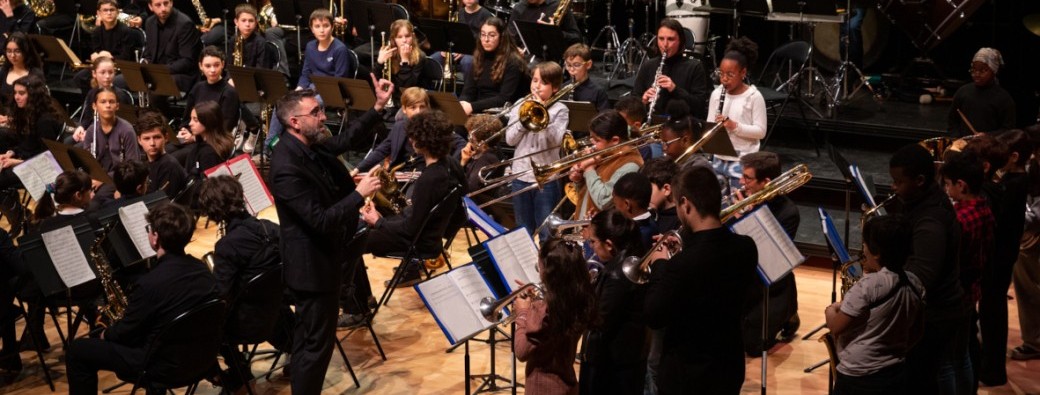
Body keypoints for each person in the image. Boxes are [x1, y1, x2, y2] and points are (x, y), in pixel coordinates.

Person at [269, 76, 389, 394]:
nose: (323, 116)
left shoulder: (310, 143)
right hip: (311, 268)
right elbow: (319, 221)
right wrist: (358, 194)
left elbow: (346, 139)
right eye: (316, 112)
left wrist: (377, 107)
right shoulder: (285, 166)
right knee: (314, 347)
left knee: (315, 343)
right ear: (295, 122)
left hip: (327, 258)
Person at [65, 202, 220, 395]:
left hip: (160, 367)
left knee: (77, 351)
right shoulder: (203, 270)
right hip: (201, 358)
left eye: (150, 230)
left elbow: (127, 333)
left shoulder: (149, 284)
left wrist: (106, 334)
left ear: (155, 238)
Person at [643, 165, 756, 394]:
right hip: (729, 367)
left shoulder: (680, 265)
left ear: (685, 204)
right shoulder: (746, 247)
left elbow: (653, 315)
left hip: (687, 374)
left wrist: (660, 264)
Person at [198, 175, 292, 391]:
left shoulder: (227, 246)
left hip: (249, 326)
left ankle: (239, 372)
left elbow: (223, 297)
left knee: (207, 324)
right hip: (276, 310)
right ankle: (294, 345)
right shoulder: (271, 228)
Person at [889, 143, 970, 393]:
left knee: (932, 376)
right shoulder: (929, 200)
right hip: (949, 305)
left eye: (898, 182)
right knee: (954, 363)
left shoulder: (930, 221)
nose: (893, 187)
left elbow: (921, 276)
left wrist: (880, 282)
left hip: (935, 314)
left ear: (920, 180)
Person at [358, 110, 466, 295]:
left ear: (423, 141)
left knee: (353, 237)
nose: (410, 140)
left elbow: (410, 229)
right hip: (432, 237)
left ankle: (358, 304)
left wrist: (378, 221)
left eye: (413, 136)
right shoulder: (451, 164)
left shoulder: (429, 178)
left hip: (419, 243)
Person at [825, 215, 925, 394]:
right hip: (895, 373)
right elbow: (917, 331)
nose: (863, 249)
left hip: (857, 377)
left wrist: (831, 310)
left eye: (864, 244)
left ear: (877, 252)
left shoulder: (867, 286)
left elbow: (836, 327)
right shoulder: (915, 283)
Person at [977, 130, 1032, 385]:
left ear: (1015, 157)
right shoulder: (1012, 181)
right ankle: (990, 365)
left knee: (992, 312)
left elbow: (998, 221)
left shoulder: (1014, 185)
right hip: (1003, 253)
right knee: (991, 310)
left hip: (1000, 255)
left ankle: (993, 370)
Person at [733, 151, 800, 355]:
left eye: (747, 178)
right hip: (743, 277)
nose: (741, 181)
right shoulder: (743, 198)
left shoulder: (788, 213)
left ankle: (788, 315)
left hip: (770, 284)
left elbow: (770, 258)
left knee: (753, 347)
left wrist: (747, 219)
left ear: (766, 182)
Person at [514, 237, 596, 395]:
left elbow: (521, 351)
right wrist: (536, 302)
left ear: (547, 269)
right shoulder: (580, 298)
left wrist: (523, 313)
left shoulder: (545, 310)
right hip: (567, 384)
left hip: (542, 388)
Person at [580, 209, 648, 394]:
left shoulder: (617, 275)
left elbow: (598, 320)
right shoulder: (632, 258)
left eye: (593, 242)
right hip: (628, 358)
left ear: (609, 244)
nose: (591, 247)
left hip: (612, 366)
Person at [506, 61, 568, 238]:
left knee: (547, 232)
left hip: (546, 180)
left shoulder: (560, 110)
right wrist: (525, 120)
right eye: (534, 80)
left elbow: (556, 140)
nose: (537, 86)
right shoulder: (520, 105)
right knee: (522, 231)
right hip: (520, 175)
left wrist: (543, 117)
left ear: (555, 88)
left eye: (543, 82)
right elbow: (510, 140)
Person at [355, 87, 464, 173]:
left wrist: (448, 166)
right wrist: (358, 169)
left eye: (422, 107)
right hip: (399, 173)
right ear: (404, 109)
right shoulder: (399, 126)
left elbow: (461, 144)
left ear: (428, 107)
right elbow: (381, 150)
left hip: (423, 175)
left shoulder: (435, 128)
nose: (418, 112)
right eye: (413, 108)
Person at [709, 37, 767, 193]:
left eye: (730, 75)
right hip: (719, 159)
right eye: (721, 74)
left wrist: (734, 126)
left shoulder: (754, 96)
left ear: (743, 72)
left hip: (743, 162)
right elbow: (709, 125)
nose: (724, 79)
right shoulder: (716, 94)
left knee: (738, 205)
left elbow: (761, 132)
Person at [632, 18, 710, 121]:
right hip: (652, 123)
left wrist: (675, 89)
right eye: (661, 38)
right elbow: (633, 99)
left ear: (680, 41)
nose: (665, 44)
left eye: (670, 39)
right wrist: (643, 100)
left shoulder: (694, 67)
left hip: (682, 126)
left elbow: (699, 106)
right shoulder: (649, 65)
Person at [569, 110, 642, 220]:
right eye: (591, 137)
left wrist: (589, 169)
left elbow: (604, 202)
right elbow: (590, 194)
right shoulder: (605, 154)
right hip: (586, 228)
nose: (591, 144)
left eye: (596, 140)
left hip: (604, 232)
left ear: (615, 140)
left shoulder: (630, 164)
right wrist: (579, 180)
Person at [0, 75, 63, 189]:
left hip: (41, 169)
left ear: (34, 96)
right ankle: (13, 205)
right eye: (15, 93)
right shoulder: (25, 114)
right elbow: (25, 144)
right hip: (25, 161)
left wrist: (15, 162)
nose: (16, 97)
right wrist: (10, 153)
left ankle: (15, 206)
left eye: (21, 93)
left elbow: (46, 158)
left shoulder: (45, 121)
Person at [1011, 128, 1040, 361]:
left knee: (1030, 288)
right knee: (1027, 286)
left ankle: (1036, 342)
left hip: (1034, 231)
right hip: (1030, 232)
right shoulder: (1033, 167)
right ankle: (1034, 340)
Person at [132, 0, 202, 97]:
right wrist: (145, 65)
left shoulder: (184, 24)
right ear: (150, 7)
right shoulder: (149, 22)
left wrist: (159, 71)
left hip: (181, 75)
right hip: (157, 72)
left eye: (166, 3)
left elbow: (187, 61)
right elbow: (148, 53)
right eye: (158, 5)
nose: (163, 8)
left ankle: (161, 112)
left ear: (172, 3)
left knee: (156, 90)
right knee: (123, 81)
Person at [459, 17, 525, 115]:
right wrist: (463, 103)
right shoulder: (479, 57)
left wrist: (472, 106)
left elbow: (503, 99)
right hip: (477, 108)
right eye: (483, 35)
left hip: (499, 112)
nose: (486, 39)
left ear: (501, 37)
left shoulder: (513, 62)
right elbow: (468, 90)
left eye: (492, 35)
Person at [73, 0, 141, 95]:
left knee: (113, 80)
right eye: (105, 10)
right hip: (102, 66)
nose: (109, 13)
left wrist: (111, 58)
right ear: (98, 13)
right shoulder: (96, 32)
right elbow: (97, 51)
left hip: (120, 68)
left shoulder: (127, 31)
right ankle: (92, 102)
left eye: (112, 10)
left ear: (117, 12)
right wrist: (95, 58)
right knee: (80, 77)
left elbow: (127, 58)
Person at [948, 48, 1016, 137]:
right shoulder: (963, 92)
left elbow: (1008, 130)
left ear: (994, 71)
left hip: (990, 148)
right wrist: (957, 139)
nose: (977, 74)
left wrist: (988, 136)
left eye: (983, 70)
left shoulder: (1004, 98)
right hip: (964, 146)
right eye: (974, 70)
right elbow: (952, 120)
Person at [73, 87, 143, 172]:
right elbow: (88, 164)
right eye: (103, 102)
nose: (108, 105)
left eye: (112, 102)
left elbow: (132, 166)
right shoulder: (91, 131)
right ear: (94, 106)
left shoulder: (127, 130)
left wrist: (103, 180)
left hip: (120, 179)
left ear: (117, 106)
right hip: (97, 177)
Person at [179, 46, 246, 133]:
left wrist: (195, 138)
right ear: (200, 66)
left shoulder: (230, 92)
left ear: (222, 64)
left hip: (215, 141)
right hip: (194, 135)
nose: (213, 70)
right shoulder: (197, 88)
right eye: (208, 66)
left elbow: (225, 128)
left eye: (216, 65)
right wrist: (184, 131)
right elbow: (186, 120)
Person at [376, 20, 441, 104]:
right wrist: (379, 62)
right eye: (399, 37)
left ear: (413, 36)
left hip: (411, 100)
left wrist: (405, 61)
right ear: (393, 39)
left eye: (407, 36)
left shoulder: (420, 57)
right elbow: (375, 80)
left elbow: (407, 87)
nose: (404, 40)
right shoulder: (388, 53)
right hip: (391, 99)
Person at [71, 56, 136, 135]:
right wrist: (81, 128)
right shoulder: (92, 93)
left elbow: (120, 125)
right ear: (94, 74)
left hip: (111, 136)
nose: (107, 76)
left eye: (110, 72)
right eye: (103, 72)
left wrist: (89, 135)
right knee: (68, 142)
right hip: (93, 131)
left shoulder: (120, 95)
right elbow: (87, 119)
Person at [134, 108, 187, 199]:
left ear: (166, 137)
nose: (152, 143)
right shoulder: (145, 164)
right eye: (146, 138)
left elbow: (162, 205)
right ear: (139, 140)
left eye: (157, 137)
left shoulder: (169, 166)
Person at [430, 0, 491, 77]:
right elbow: (451, 34)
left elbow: (485, 41)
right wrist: (446, 48)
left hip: (474, 52)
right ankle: (435, 87)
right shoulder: (458, 13)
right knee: (434, 59)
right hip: (457, 50)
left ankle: (468, 88)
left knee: (467, 61)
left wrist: (465, 51)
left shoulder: (485, 15)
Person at [179, 101, 235, 179]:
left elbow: (207, 184)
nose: (190, 123)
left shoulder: (208, 154)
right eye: (191, 119)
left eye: (195, 120)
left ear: (208, 122)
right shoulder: (222, 140)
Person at [611, 172, 658, 250]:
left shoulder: (631, 237)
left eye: (615, 205)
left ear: (627, 204)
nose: (615, 209)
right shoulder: (653, 222)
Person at [507, 0, 582, 47]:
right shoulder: (519, 8)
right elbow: (510, 37)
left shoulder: (559, 6)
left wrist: (555, 32)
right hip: (524, 57)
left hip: (552, 60)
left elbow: (576, 38)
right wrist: (515, 50)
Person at [563, 43, 609, 111]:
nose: (571, 70)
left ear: (588, 65)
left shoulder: (598, 92)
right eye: (569, 65)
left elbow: (604, 119)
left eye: (576, 65)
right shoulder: (563, 88)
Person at [0, 32, 43, 102]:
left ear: (26, 51)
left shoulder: (35, 74)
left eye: (17, 51)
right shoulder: (4, 70)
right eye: (9, 51)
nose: (12, 56)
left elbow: (38, 104)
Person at [641, 157, 680, 232]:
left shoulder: (679, 222)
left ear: (666, 189)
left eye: (647, 188)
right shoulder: (652, 214)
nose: (643, 194)